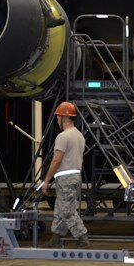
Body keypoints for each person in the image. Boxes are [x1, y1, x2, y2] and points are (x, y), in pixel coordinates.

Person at [40, 101, 91, 249]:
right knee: (60, 209)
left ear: (64, 117)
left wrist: (46, 180)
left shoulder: (63, 137)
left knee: (68, 211)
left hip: (66, 179)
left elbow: (56, 160)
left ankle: (83, 238)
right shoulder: (80, 136)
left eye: (57, 118)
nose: (57, 120)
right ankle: (56, 239)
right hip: (75, 177)